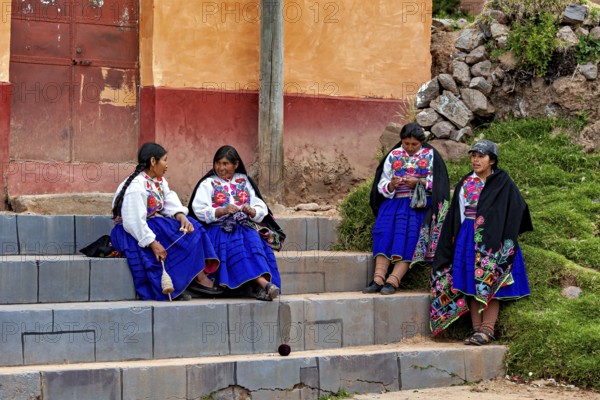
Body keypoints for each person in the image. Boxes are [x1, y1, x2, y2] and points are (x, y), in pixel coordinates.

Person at [430, 139, 533, 345]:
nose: (475, 160)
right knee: (470, 280)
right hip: (467, 235)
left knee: (490, 280)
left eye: (481, 157)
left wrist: (504, 231)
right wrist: (455, 235)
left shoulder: (502, 182)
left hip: (493, 238)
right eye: (473, 156)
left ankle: (488, 329)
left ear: (492, 160)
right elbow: (457, 213)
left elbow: (518, 207)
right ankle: (476, 330)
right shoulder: (466, 183)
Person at [110, 142, 221, 301]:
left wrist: (181, 216)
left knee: (193, 227)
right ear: (153, 161)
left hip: (151, 223)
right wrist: (153, 243)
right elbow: (133, 222)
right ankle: (180, 284)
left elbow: (168, 199)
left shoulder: (159, 181)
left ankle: (196, 277)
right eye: (165, 160)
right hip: (131, 232)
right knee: (166, 240)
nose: (167, 165)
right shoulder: (136, 186)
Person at [188, 145, 283, 301]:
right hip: (219, 230)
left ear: (236, 164)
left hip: (245, 227)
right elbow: (198, 210)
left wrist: (251, 211)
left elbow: (260, 206)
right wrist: (222, 210)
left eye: (225, 164)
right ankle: (263, 285)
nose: (220, 168)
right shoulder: (208, 183)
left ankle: (259, 287)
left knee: (253, 239)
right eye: (217, 163)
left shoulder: (245, 181)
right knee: (236, 244)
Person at [365, 123, 450, 295]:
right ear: (401, 141)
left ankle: (394, 280)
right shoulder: (394, 155)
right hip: (394, 203)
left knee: (410, 236)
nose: (410, 148)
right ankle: (378, 278)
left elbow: (440, 184)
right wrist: (391, 185)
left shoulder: (431, 155)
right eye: (406, 144)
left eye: (414, 144)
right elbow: (382, 183)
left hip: (418, 205)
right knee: (383, 232)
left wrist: (420, 182)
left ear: (421, 143)